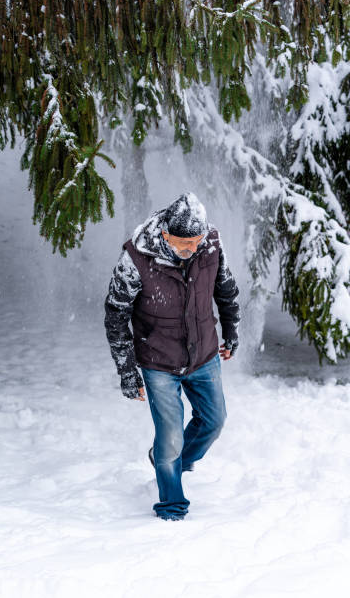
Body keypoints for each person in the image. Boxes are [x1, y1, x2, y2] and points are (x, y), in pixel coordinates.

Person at [104, 192, 240, 521]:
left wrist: (231, 331)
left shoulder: (211, 244)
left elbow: (226, 289)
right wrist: (127, 371)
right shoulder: (137, 256)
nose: (187, 250)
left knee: (214, 421)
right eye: (179, 244)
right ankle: (172, 505)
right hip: (158, 360)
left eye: (192, 243)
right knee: (170, 435)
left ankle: (169, 459)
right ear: (165, 234)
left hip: (203, 353)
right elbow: (116, 314)